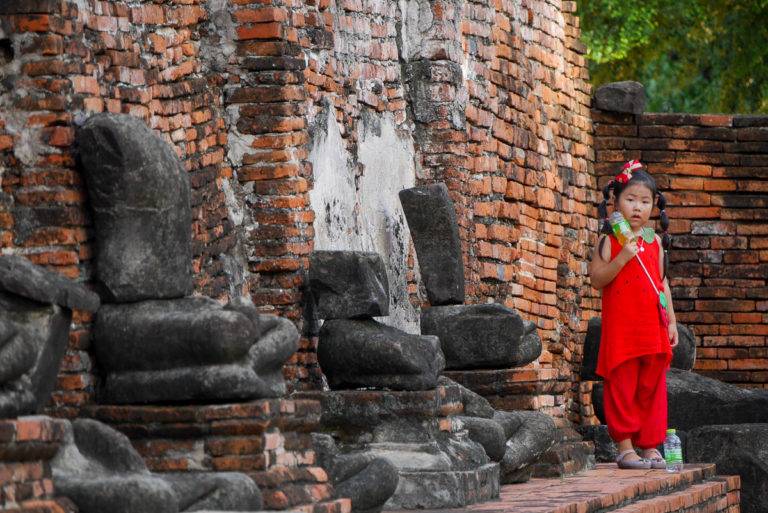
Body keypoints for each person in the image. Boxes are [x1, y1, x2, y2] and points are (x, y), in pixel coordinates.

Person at [590, 160, 679, 470]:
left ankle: (649, 444)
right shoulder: (610, 240)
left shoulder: (655, 242)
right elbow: (597, 279)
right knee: (623, 384)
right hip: (622, 327)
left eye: (644, 201)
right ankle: (625, 446)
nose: (637, 207)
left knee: (651, 388)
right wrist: (623, 257)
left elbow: (662, 283)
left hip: (652, 325)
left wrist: (672, 321)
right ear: (615, 201)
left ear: (654, 205)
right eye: (630, 199)